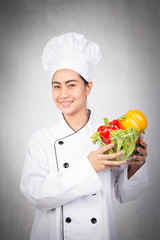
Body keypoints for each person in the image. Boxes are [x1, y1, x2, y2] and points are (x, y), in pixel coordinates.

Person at [20, 32, 148, 240]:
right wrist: (89, 166)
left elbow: (126, 195)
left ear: (88, 87)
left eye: (71, 85)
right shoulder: (41, 138)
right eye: (56, 86)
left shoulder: (112, 135)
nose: (63, 94)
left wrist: (135, 166)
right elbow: (36, 195)